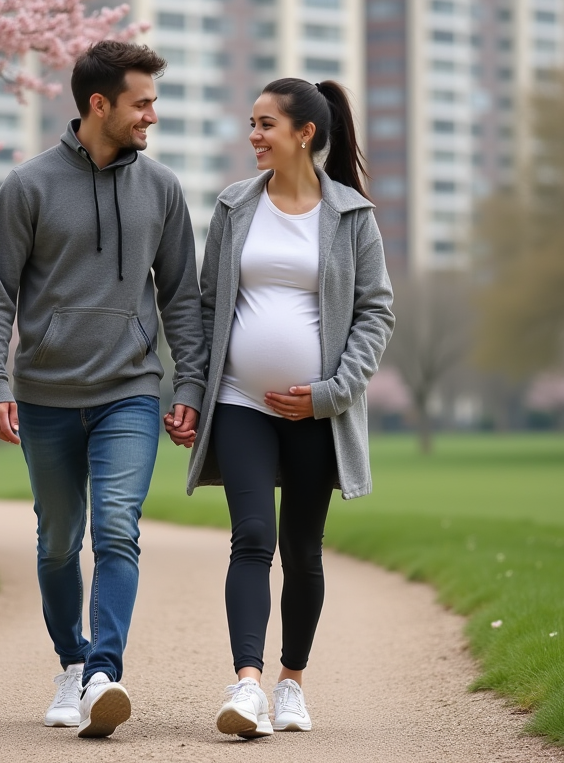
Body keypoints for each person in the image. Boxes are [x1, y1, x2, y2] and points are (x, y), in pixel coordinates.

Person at [0, 41, 206, 739]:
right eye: (142, 102)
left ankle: (105, 671)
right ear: (98, 104)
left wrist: (189, 381)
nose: (152, 116)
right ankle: (71, 664)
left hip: (129, 391)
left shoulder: (162, 189)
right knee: (56, 541)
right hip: (45, 394)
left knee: (115, 530)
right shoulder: (28, 186)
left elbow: (183, 300)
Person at [180, 78, 395, 737]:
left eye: (266, 124)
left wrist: (329, 394)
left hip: (316, 411)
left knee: (302, 550)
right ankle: (247, 686)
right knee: (253, 539)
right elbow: (207, 307)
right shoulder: (235, 206)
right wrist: (191, 391)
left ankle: (292, 683)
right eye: (252, 123)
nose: (253, 135)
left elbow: (375, 313)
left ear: (306, 132)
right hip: (240, 401)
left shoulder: (352, 215)